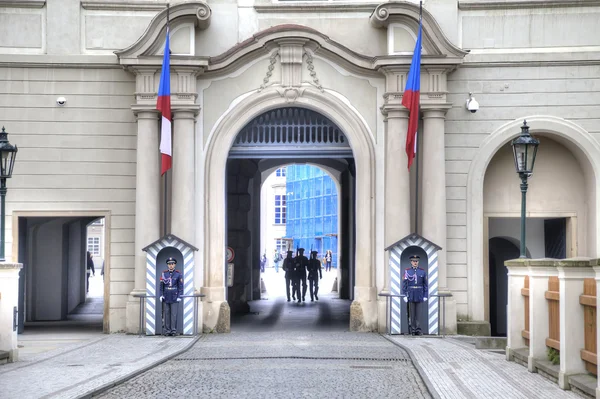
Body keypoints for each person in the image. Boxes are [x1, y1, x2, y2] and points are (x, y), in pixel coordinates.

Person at [402, 255, 428, 336]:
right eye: (413, 261)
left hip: (419, 294)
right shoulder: (407, 272)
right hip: (411, 294)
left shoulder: (422, 272)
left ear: (418, 262)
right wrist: (404, 295)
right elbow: (404, 285)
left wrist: (425, 295)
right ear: (411, 262)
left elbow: (425, 285)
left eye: (416, 261)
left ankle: (418, 329)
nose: (415, 262)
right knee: (412, 313)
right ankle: (412, 329)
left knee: (419, 314)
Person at [159, 257, 184, 336]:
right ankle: (167, 331)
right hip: (166, 296)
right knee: (166, 314)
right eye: (169, 264)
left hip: (174, 296)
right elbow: (161, 286)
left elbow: (180, 286)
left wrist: (179, 296)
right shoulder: (164, 273)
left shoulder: (178, 274)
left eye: (172, 264)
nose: (171, 265)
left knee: (174, 314)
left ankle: (173, 330)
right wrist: (161, 295)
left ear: (175, 264)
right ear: (167, 265)